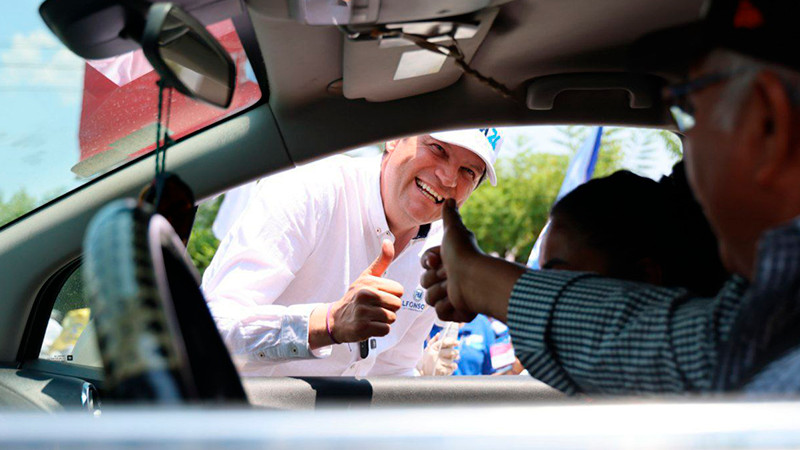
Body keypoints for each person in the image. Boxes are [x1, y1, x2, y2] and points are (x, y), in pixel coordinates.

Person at [422, 0, 800, 395]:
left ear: (767, 123)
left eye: (687, 109)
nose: (685, 172)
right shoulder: (771, 319)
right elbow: (698, 350)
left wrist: (479, 279)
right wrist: (476, 276)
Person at [201, 129, 503, 377]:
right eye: (438, 149)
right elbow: (210, 331)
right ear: (394, 138)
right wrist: (327, 323)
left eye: (468, 171)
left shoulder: (440, 250)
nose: (448, 178)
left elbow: (393, 370)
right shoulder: (309, 189)